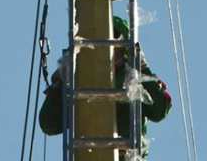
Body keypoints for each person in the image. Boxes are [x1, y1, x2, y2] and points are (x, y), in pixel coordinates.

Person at [38, 16, 172, 158]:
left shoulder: (133, 78)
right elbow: (49, 123)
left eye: (114, 44)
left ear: (124, 50)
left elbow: (158, 110)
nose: (107, 51)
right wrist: (60, 85)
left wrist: (142, 67)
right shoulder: (79, 81)